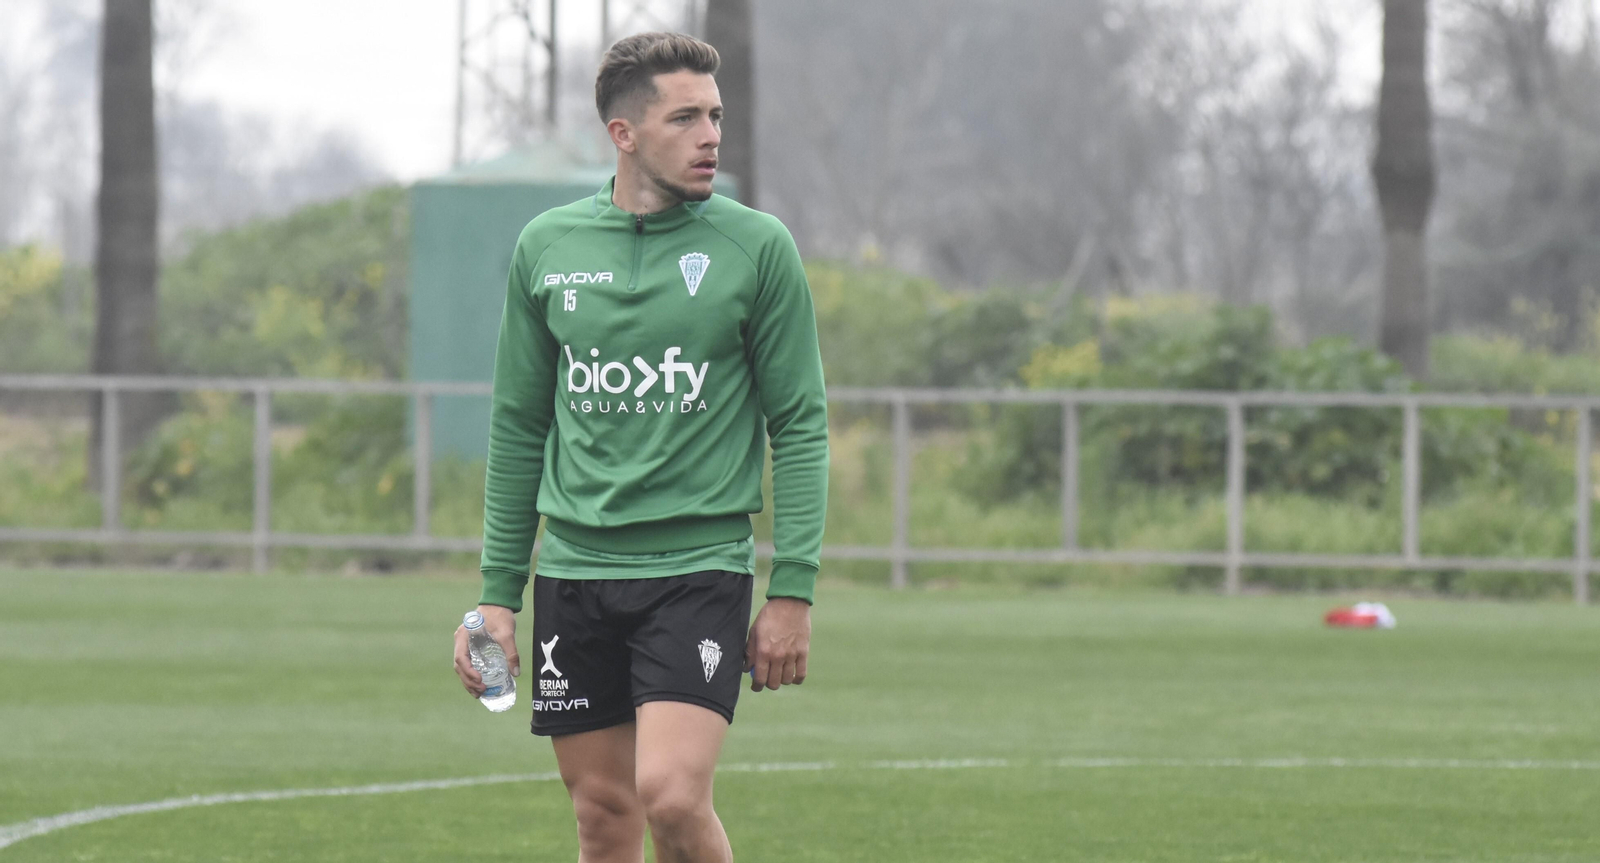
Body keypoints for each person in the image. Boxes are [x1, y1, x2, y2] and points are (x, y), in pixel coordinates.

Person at [451, 31, 829, 863]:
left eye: (716, 116)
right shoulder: (546, 247)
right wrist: (495, 597)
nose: (711, 136)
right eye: (685, 117)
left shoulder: (756, 248)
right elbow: (519, 425)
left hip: (698, 570)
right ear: (623, 134)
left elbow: (800, 422)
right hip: (576, 574)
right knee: (603, 815)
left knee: (671, 795)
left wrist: (792, 588)